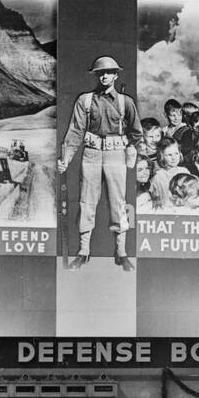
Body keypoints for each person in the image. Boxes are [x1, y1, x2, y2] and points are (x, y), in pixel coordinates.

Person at [58, 56, 140, 270]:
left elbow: (137, 133)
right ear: (96, 75)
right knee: (86, 201)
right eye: (100, 73)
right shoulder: (85, 100)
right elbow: (75, 131)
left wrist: (133, 150)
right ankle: (83, 252)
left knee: (119, 203)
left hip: (116, 155)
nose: (104, 76)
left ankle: (121, 252)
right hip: (92, 153)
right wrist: (65, 158)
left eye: (109, 72)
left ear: (116, 75)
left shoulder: (125, 102)